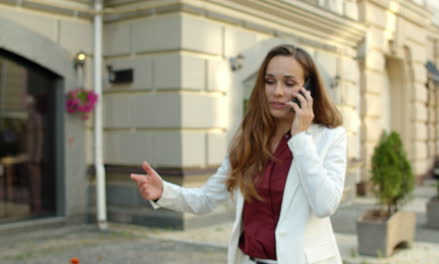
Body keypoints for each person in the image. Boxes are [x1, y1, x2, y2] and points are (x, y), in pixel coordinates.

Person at [130, 44, 347, 264]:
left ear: (308, 89)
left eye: (289, 83)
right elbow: (207, 198)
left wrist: (300, 138)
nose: (277, 91)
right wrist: (163, 191)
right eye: (269, 81)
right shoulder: (251, 138)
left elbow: (325, 205)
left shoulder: (330, 137)